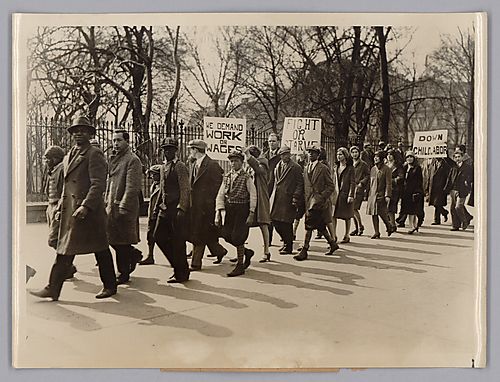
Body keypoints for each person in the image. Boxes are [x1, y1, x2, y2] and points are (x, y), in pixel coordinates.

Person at [30, 115, 117, 300]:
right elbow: (66, 186)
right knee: (65, 249)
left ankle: (110, 285)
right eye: (75, 131)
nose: (78, 133)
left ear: (89, 133)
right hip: (71, 211)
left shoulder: (94, 153)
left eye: (83, 131)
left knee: (100, 248)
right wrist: (61, 208)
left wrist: (86, 206)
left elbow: (98, 184)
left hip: (89, 213)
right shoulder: (70, 154)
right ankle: (52, 288)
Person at [106, 130, 143, 285]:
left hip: (123, 207)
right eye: (114, 140)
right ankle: (133, 255)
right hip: (110, 205)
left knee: (121, 241)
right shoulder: (114, 159)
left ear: (127, 141)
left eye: (119, 140)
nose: (115, 143)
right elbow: (109, 182)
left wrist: (124, 206)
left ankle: (123, 273)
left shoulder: (133, 160)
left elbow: (132, 186)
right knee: (111, 239)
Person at [153, 137, 191, 283]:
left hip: (176, 210)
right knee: (158, 237)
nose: (167, 152)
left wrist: (182, 208)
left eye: (170, 149)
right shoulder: (163, 167)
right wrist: (158, 207)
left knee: (178, 242)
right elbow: (162, 189)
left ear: (176, 150)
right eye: (165, 149)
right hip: (164, 208)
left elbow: (185, 189)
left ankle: (181, 272)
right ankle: (178, 266)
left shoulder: (180, 166)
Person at [215, 150, 257, 277]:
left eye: (236, 161)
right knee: (226, 234)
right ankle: (247, 252)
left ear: (241, 162)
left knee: (238, 236)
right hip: (230, 209)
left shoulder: (246, 177)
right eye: (231, 161)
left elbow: (253, 195)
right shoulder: (227, 176)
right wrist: (218, 211)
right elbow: (220, 195)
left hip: (242, 209)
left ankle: (240, 265)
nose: (233, 163)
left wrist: (251, 213)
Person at [187, 139, 227, 270]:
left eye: (191, 149)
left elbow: (218, 186)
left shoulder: (212, 165)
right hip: (195, 207)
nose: (190, 152)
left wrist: (210, 205)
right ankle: (220, 251)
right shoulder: (194, 164)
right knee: (206, 234)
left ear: (196, 150)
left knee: (198, 235)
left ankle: (195, 263)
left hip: (206, 208)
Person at [294, 144, 338, 261]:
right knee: (319, 225)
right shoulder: (306, 167)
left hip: (318, 202)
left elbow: (330, 186)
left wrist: (321, 197)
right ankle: (332, 243)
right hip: (309, 201)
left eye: (313, 152)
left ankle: (305, 250)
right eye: (309, 152)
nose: (310, 154)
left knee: (308, 225)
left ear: (318, 155)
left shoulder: (323, 168)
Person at [43, 145, 77, 279]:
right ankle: (67, 267)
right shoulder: (52, 170)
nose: (46, 161)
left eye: (48, 158)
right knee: (57, 239)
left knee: (54, 239)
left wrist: (59, 208)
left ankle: (67, 266)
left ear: (56, 158)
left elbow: (66, 190)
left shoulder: (62, 169)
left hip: (58, 207)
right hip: (51, 206)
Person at [269, 146, 304, 257]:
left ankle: (288, 245)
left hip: (289, 198)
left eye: (286, 154)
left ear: (289, 154)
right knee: (275, 221)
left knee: (287, 223)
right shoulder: (278, 166)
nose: (285, 156)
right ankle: (285, 241)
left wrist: (296, 196)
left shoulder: (295, 167)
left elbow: (300, 183)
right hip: (278, 198)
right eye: (282, 154)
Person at [243, 145, 271, 262]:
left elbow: (258, 169)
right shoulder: (250, 165)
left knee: (263, 224)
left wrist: (248, 157)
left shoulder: (263, 163)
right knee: (244, 224)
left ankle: (266, 251)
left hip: (260, 198)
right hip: (250, 197)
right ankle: (242, 250)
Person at [366, 150, 394, 239]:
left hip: (381, 194)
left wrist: (387, 195)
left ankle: (389, 226)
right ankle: (376, 232)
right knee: (373, 213)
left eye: (377, 157)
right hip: (372, 194)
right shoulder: (373, 169)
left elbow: (389, 183)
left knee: (382, 213)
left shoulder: (386, 169)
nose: (375, 158)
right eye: (374, 157)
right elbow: (371, 182)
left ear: (381, 158)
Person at [444, 150, 473, 231]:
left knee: (458, 207)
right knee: (452, 208)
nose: (457, 159)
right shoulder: (453, 167)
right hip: (453, 189)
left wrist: (467, 185)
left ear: (462, 157)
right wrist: (447, 189)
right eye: (456, 157)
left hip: (462, 190)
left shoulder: (467, 167)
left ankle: (465, 221)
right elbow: (449, 178)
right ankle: (455, 225)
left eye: (459, 157)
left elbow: (470, 178)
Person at [332, 147, 356, 243]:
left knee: (347, 216)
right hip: (336, 195)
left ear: (345, 155)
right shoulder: (335, 167)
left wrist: (351, 195)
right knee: (333, 215)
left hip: (345, 195)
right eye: (337, 154)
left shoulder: (350, 168)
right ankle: (333, 235)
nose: (338, 156)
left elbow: (352, 182)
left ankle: (346, 235)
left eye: (340, 154)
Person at [139, 165, 162, 265]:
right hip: (152, 214)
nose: (151, 177)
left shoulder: (163, 186)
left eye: (154, 174)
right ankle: (150, 256)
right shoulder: (154, 185)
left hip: (159, 214)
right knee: (150, 236)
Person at [400, 151, 424, 234]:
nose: (409, 159)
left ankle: (412, 226)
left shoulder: (417, 168)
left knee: (412, 210)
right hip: (405, 191)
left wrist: (417, 191)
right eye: (408, 157)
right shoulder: (405, 167)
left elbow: (419, 181)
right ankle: (414, 226)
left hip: (413, 191)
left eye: (411, 157)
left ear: (414, 158)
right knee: (408, 209)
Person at [264, 133, 281, 245]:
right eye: (270, 141)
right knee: (267, 214)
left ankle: (285, 236)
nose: (271, 143)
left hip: (277, 187)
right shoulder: (264, 155)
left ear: (278, 142)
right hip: (266, 187)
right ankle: (268, 239)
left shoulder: (281, 156)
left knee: (276, 214)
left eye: (274, 141)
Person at [349, 145, 370, 236]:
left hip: (358, 188)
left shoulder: (363, 164)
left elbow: (367, 175)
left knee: (354, 208)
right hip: (351, 188)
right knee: (352, 209)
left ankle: (360, 226)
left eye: (356, 152)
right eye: (353, 152)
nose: (354, 154)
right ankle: (357, 227)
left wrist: (362, 183)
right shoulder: (350, 163)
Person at [427, 157, 451, 225]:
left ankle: (436, 220)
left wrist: (446, 187)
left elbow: (448, 176)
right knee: (436, 204)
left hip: (441, 187)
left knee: (437, 203)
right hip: (433, 187)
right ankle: (444, 212)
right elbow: (430, 174)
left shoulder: (445, 163)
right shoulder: (433, 162)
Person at [386, 149, 405, 232]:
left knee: (392, 207)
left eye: (391, 154)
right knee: (385, 207)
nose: (389, 156)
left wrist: (391, 180)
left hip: (395, 189)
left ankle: (393, 224)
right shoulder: (386, 165)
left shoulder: (398, 166)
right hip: (386, 189)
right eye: (388, 154)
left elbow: (400, 177)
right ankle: (390, 223)